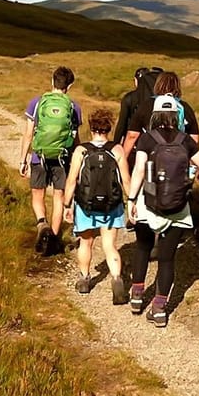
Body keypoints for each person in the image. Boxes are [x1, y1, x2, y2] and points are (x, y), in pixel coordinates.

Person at [124, 96, 199, 327]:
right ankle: (160, 309)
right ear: (177, 116)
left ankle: (136, 296)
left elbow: (139, 171)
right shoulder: (186, 141)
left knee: (143, 248)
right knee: (167, 259)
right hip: (177, 207)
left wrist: (131, 199)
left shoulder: (147, 139)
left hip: (148, 204)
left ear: (154, 115)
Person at [61, 107, 131, 304]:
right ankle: (117, 279)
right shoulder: (116, 149)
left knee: (86, 242)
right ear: (109, 127)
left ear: (91, 128)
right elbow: (125, 180)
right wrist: (132, 201)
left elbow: (72, 180)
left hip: (85, 206)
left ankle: (84, 279)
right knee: (109, 245)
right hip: (112, 206)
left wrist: (67, 205)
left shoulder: (81, 150)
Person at [19, 66, 81, 256]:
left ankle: (41, 224)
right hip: (63, 157)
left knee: (38, 195)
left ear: (52, 81)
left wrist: (23, 159)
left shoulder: (36, 103)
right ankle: (53, 240)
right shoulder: (73, 107)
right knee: (59, 197)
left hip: (40, 156)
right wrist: (77, 159)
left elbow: (29, 134)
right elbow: (75, 137)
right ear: (69, 86)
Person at [122, 70, 199, 154]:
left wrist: (123, 160)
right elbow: (194, 139)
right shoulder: (185, 107)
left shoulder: (146, 106)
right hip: (178, 157)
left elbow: (132, 136)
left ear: (158, 85)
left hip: (152, 156)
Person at [113, 66, 162, 147]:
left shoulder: (129, 98)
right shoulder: (161, 99)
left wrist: (115, 145)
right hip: (156, 142)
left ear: (136, 80)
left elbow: (122, 125)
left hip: (133, 143)